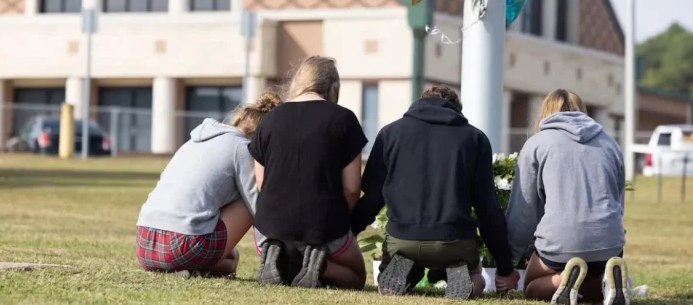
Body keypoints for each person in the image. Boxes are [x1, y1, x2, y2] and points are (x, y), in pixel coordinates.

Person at [351, 85, 520, 299]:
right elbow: (488, 209)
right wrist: (505, 268)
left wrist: (349, 233)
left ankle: (400, 274)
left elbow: (373, 199)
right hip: (454, 240)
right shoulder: (475, 139)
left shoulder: (389, 133)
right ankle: (465, 277)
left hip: (402, 239)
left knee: (404, 258)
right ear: (457, 109)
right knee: (476, 276)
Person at [249, 56, 367, 290]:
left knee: (290, 259)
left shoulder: (270, 119)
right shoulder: (344, 119)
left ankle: (281, 255)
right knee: (355, 276)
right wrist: (337, 221)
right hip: (323, 225)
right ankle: (317, 264)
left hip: (269, 227)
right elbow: (353, 188)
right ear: (333, 85)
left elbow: (261, 183)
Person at [135, 91, 282, 277]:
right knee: (254, 199)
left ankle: (181, 269)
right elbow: (260, 209)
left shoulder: (192, 142)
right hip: (183, 244)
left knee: (230, 261)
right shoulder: (243, 149)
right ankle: (186, 266)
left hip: (144, 244)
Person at [505, 89, 629, 305]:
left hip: (560, 245)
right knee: (594, 269)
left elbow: (523, 212)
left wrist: (508, 261)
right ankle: (606, 283)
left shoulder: (537, 144)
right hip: (609, 245)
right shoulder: (610, 144)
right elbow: (618, 204)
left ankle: (564, 279)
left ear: (545, 112)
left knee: (532, 287)